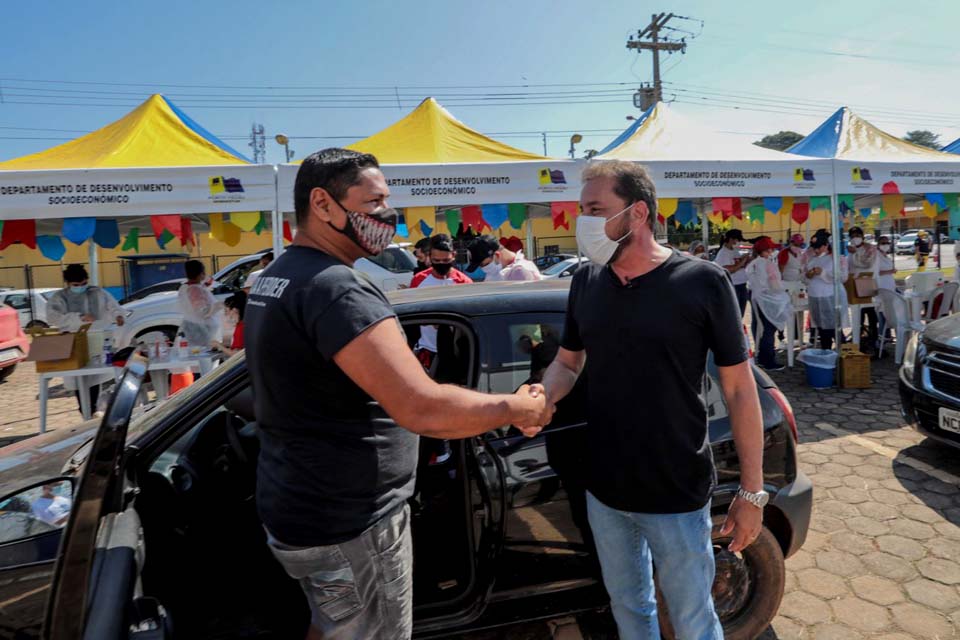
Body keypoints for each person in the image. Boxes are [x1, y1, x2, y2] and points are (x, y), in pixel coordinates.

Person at [243, 148, 552, 640]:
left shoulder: (279, 278)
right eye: (374, 202)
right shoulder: (336, 290)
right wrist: (518, 406)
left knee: (334, 624)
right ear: (322, 204)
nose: (387, 215)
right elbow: (423, 408)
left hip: (302, 507)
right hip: (351, 526)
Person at [539, 160, 765, 639]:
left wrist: (751, 492)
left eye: (596, 209)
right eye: (582, 209)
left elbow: (741, 388)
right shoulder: (586, 281)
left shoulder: (701, 282)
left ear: (637, 213)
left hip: (675, 494)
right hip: (603, 490)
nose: (584, 221)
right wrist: (541, 395)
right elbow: (567, 362)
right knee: (629, 610)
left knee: (691, 618)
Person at [46, 264, 126, 413]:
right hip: (72, 342)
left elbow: (112, 306)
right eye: (76, 285)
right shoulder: (60, 297)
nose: (80, 287)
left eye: (83, 284)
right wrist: (79, 318)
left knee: (94, 376)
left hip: (95, 338)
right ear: (68, 283)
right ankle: (85, 409)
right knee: (78, 379)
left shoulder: (97, 292)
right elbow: (52, 317)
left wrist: (118, 315)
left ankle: (93, 409)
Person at [410, 234, 472, 370]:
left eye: (446, 260)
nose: (441, 264)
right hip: (428, 348)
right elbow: (412, 313)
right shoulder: (419, 280)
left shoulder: (464, 282)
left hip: (456, 349)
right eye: (436, 260)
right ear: (429, 257)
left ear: (453, 256)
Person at [746, 237, 791, 371]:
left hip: (757, 299)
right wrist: (786, 288)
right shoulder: (768, 264)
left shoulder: (752, 264)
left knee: (763, 329)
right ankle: (769, 360)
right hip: (769, 299)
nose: (772, 251)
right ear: (766, 250)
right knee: (769, 330)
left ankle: (761, 357)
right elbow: (775, 285)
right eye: (770, 248)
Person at [805, 234, 849, 351]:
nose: (816, 250)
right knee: (821, 328)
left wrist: (822, 272)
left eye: (818, 247)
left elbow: (842, 278)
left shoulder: (836, 259)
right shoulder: (812, 260)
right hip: (815, 296)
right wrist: (808, 275)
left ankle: (843, 353)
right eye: (814, 247)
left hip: (830, 296)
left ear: (826, 246)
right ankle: (827, 353)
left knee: (833, 327)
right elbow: (805, 277)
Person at [847, 226, 879, 351]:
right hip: (853, 284)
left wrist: (855, 253)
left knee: (871, 313)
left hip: (867, 283)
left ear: (862, 236)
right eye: (853, 236)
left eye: (857, 235)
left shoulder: (870, 248)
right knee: (857, 315)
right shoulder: (851, 250)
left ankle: (873, 339)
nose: (855, 238)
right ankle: (858, 339)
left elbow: (866, 263)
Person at [177, 260, 222, 348]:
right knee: (201, 354)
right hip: (200, 331)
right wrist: (218, 306)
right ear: (201, 273)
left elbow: (209, 281)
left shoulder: (187, 287)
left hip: (196, 328)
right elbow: (202, 312)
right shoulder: (194, 289)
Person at [466, 234, 542, 282]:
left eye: (483, 264)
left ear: (497, 255)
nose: (482, 268)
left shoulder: (519, 272)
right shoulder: (502, 271)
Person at [714, 228, 752, 316]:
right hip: (733, 286)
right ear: (731, 239)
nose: (738, 242)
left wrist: (745, 259)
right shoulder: (723, 253)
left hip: (741, 285)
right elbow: (728, 270)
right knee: (735, 314)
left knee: (740, 313)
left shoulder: (734, 251)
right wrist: (742, 262)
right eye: (737, 240)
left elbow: (738, 264)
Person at [210, 292, 246, 356]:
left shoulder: (240, 327)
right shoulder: (243, 324)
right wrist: (222, 345)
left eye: (227, 310)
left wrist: (218, 345)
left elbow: (235, 354)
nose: (226, 313)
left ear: (234, 310)